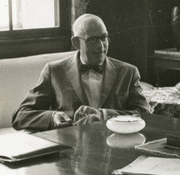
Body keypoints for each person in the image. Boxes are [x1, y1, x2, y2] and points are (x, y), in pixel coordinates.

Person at [12, 13, 150, 131]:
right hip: (70, 149)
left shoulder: (128, 72)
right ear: (77, 43)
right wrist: (53, 117)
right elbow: (21, 116)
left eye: (104, 37)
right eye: (93, 40)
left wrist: (103, 115)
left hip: (115, 146)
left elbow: (146, 115)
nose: (101, 46)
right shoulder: (54, 71)